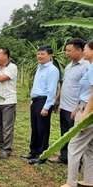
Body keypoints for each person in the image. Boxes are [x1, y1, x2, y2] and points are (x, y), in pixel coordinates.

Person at [48, 38, 90, 165]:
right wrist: (58, 100)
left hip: (75, 108)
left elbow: (86, 90)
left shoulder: (86, 67)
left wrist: (78, 107)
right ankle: (64, 157)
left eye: (69, 50)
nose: (67, 53)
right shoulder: (68, 66)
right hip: (65, 106)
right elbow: (66, 85)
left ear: (79, 50)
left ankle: (77, 163)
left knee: (75, 137)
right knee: (65, 133)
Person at [61, 40, 93, 187]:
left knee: (73, 146)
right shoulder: (90, 68)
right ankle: (89, 180)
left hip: (88, 110)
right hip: (84, 107)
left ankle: (71, 183)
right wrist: (77, 108)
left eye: (86, 49)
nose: (84, 51)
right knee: (90, 147)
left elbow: (92, 96)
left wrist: (84, 117)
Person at [21, 45, 59, 164]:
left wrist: (46, 107)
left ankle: (41, 155)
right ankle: (33, 151)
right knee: (35, 128)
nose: (39, 56)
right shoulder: (40, 68)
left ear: (50, 56)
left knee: (42, 129)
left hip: (44, 100)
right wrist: (32, 102)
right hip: (36, 101)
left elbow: (52, 90)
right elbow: (37, 86)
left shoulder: (52, 70)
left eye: (42, 54)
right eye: (38, 54)